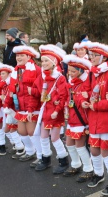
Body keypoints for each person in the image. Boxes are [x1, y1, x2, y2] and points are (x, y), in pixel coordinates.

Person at [82, 41, 108, 195]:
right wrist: (85, 100)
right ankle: (98, 174)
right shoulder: (92, 73)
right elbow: (85, 91)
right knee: (94, 149)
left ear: (103, 57)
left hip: (107, 119)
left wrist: (97, 105)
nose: (91, 58)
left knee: (105, 151)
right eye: (91, 55)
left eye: (94, 55)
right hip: (94, 118)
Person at [32, 44, 69, 173]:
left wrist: (56, 110)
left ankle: (63, 160)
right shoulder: (42, 77)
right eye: (42, 61)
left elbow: (63, 96)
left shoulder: (60, 78)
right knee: (43, 136)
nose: (44, 63)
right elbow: (37, 91)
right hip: (45, 111)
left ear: (54, 62)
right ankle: (46, 159)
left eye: (47, 60)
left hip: (54, 113)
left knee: (54, 138)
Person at [61, 54, 94, 181]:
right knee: (69, 144)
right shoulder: (71, 83)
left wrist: (82, 99)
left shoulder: (85, 83)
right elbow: (67, 98)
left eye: (73, 71)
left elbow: (88, 97)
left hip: (81, 120)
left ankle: (88, 169)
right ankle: (75, 164)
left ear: (81, 71)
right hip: (71, 119)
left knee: (80, 146)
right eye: (69, 71)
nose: (70, 73)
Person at [7, 45, 41, 162]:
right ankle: (30, 151)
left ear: (29, 56)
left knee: (32, 131)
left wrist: (31, 109)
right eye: (17, 55)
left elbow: (38, 90)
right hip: (20, 105)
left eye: (22, 55)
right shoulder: (16, 70)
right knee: (22, 131)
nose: (19, 58)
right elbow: (12, 89)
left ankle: (40, 155)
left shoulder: (35, 69)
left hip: (33, 106)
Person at [0, 64, 25, 155]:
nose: (1, 76)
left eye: (3, 73)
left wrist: (4, 98)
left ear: (9, 74)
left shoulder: (11, 84)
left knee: (12, 129)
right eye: (0, 74)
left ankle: (21, 148)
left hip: (12, 110)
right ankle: (17, 145)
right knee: (7, 130)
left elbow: (13, 97)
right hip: (6, 110)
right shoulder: (2, 85)